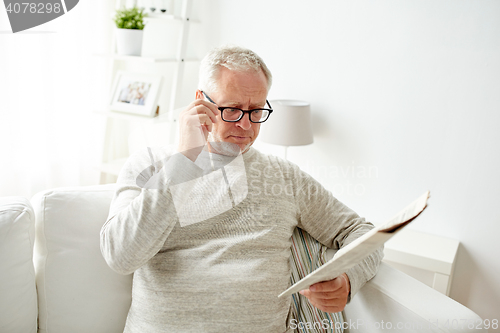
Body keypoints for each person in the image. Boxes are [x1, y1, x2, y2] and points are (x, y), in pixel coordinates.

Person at [100, 45, 382, 333]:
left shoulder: (284, 176)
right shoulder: (149, 165)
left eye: (256, 110)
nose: (247, 125)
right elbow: (120, 255)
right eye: (233, 109)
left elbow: (364, 233)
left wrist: (348, 278)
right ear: (200, 102)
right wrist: (184, 160)